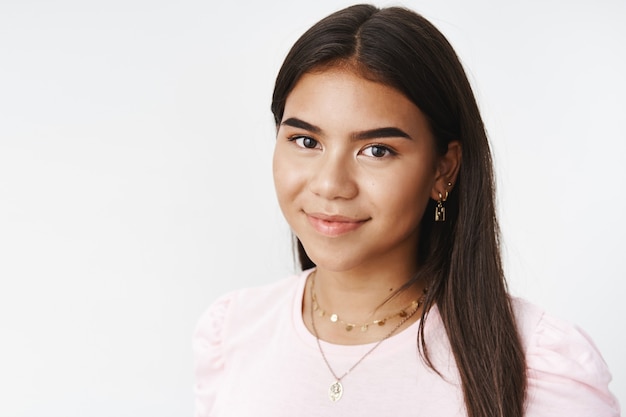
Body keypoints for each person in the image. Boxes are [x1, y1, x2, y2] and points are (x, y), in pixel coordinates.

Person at [193, 4, 620, 417]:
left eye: (376, 150)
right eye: (306, 142)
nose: (329, 184)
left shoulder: (538, 362)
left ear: (443, 168)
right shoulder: (232, 333)